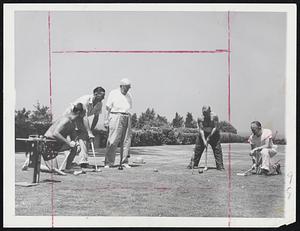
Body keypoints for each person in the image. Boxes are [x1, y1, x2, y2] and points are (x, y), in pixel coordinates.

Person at [63, 87, 105, 169]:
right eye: (102, 95)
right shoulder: (85, 100)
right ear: (96, 94)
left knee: (85, 137)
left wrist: (91, 131)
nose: (103, 97)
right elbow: (85, 118)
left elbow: (96, 118)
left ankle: (83, 162)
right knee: (70, 138)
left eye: (104, 95)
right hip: (70, 115)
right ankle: (70, 161)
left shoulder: (100, 103)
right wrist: (89, 132)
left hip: (80, 116)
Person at [41, 103, 85, 175]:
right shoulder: (66, 120)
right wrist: (69, 143)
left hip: (56, 144)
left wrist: (76, 143)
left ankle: (68, 168)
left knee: (75, 147)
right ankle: (35, 165)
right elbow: (55, 133)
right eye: (84, 113)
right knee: (55, 170)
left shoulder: (73, 123)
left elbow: (73, 138)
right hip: (47, 143)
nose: (85, 115)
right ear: (79, 112)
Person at [104, 78, 133, 168]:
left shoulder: (129, 95)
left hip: (127, 116)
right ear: (121, 86)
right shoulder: (113, 93)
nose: (128, 89)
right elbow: (108, 108)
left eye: (129, 87)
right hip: (115, 115)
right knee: (113, 140)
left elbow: (129, 107)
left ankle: (124, 162)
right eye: (126, 87)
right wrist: (106, 120)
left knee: (126, 141)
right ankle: (109, 162)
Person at [187, 106, 225, 171]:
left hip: (214, 134)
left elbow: (215, 128)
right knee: (198, 148)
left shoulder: (214, 116)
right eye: (203, 113)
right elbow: (201, 130)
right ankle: (193, 164)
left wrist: (209, 137)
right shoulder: (200, 118)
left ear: (209, 111)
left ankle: (220, 166)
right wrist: (204, 140)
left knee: (217, 149)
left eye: (206, 113)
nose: (205, 115)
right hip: (203, 133)